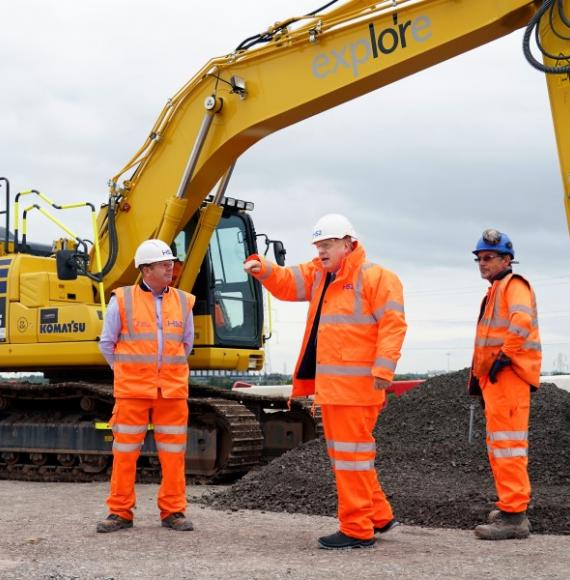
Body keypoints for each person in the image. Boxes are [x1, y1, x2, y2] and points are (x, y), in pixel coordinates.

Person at [244, 214, 407, 550]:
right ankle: (378, 515)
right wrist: (264, 268)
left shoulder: (377, 278)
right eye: (318, 245)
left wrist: (383, 370)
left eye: (328, 244)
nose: (321, 251)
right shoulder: (320, 274)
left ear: (349, 243)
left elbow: (394, 325)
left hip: (358, 390)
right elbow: (288, 282)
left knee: (350, 458)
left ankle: (357, 528)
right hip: (335, 390)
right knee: (351, 456)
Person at [96, 239, 195, 533]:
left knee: (174, 456)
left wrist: (164, 373)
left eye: (171, 263)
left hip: (172, 392)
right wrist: (127, 371)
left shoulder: (183, 300)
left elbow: (186, 344)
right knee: (125, 454)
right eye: (165, 264)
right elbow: (107, 343)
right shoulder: (122, 299)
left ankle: (174, 512)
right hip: (133, 392)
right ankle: (120, 512)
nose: (171, 268)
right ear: (146, 269)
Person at [468, 229, 541, 540]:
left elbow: (521, 321)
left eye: (489, 258)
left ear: (507, 259)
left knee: (508, 448)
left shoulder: (514, 285)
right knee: (501, 447)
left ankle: (514, 517)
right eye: (479, 259)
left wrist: (504, 357)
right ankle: (511, 509)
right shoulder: (495, 290)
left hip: (509, 376)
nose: (482, 263)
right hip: (496, 380)